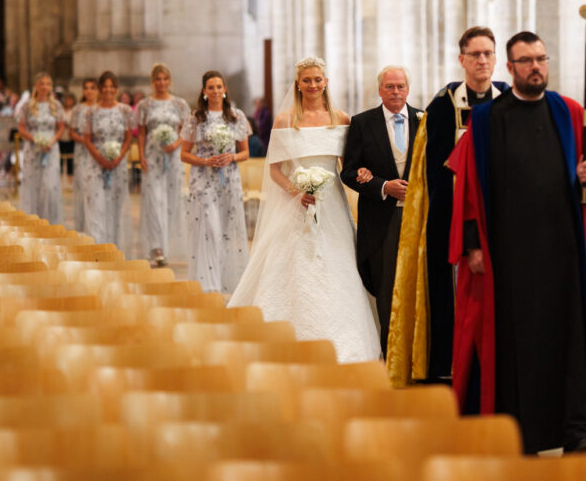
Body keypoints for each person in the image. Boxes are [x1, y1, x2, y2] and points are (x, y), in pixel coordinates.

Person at [448, 30, 586, 453]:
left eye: (541, 59)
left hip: (566, 254)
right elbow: (469, 188)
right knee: (518, 347)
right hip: (510, 258)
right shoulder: (487, 121)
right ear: (510, 68)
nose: (536, 67)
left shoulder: (569, 112)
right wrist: (473, 246)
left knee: (573, 342)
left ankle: (577, 431)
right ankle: (521, 432)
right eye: (526, 61)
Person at [229, 57, 380, 361]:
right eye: (307, 80)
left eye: (318, 79)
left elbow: (348, 166)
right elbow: (274, 171)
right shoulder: (286, 120)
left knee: (339, 262)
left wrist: (365, 173)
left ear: (326, 82)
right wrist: (297, 192)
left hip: (332, 205)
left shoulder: (341, 119)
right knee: (292, 265)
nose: (312, 85)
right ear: (298, 83)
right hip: (296, 203)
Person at [389, 27, 508, 386]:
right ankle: (446, 362)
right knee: (448, 291)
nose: (483, 60)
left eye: (488, 53)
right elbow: (432, 169)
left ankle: (499, 363)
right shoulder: (443, 105)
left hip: (502, 216)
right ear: (462, 60)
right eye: (475, 55)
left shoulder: (507, 100)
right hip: (451, 215)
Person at [340, 65, 421, 357]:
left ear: (408, 89)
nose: (395, 91)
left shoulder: (424, 120)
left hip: (419, 220)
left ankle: (419, 354)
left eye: (400, 86)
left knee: (418, 286)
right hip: (382, 220)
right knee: (387, 289)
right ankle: (392, 356)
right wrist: (384, 186)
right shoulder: (363, 123)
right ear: (380, 90)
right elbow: (348, 172)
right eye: (389, 86)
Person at [180, 70, 251, 294]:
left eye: (219, 86)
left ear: (225, 89)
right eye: (211, 87)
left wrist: (231, 157)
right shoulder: (196, 118)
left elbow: (245, 152)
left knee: (225, 231)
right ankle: (208, 284)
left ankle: (224, 279)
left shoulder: (236, 116)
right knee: (208, 228)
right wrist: (205, 161)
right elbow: (184, 154)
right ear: (204, 91)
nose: (215, 91)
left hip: (229, 179)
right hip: (203, 180)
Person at [135, 64, 191, 267]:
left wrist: (175, 144)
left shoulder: (180, 104)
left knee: (171, 202)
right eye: (157, 79)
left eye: (164, 79)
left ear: (169, 81)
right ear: (153, 81)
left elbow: (186, 131)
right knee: (153, 202)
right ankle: (156, 247)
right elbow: (141, 133)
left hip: (173, 158)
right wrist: (141, 156)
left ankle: (165, 246)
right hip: (152, 157)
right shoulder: (145, 105)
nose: (161, 83)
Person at [80, 71, 135, 250]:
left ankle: (114, 249)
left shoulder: (125, 111)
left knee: (115, 208)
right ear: (100, 88)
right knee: (96, 207)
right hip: (96, 165)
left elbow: (128, 137)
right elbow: (87, 138)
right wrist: (100, 158)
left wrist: (119, 157)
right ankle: (98, 249)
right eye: (105, 86)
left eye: (112, 86)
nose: (108, 90)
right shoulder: (91, 112)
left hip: (118, 165)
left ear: (116, 89)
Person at [16, 72, 66, 224]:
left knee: (49, 187)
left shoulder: (56, 105)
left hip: (51, 149)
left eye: (48, 84)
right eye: (42, 83)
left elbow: (61, 127)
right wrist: (35, 139)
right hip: (33, 149)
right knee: (34, 186)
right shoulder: (27, 106)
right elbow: (21, 128)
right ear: (36, 86)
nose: (44, 87)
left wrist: (52, 141)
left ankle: (50, 221)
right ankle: (33, 221)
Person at [68, 78, 99, 232]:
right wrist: (84, 140)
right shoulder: (77, 110)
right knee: (83, 188)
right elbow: (71, 131)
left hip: (98, 153)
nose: (89, 91)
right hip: (82, 152)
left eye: (92, 88)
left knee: (96, 190)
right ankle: (83, 227)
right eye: (86, 88)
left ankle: (96, 225)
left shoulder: (101, 108)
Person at [58, 92, 78, 178]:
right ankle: (60, 176)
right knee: (60, 159)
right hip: (61, 136)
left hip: (70, 137)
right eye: (67, 100)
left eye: (71, 100)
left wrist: (69, 125)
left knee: (70, 159)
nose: (69, 102)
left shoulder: (75, 111)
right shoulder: (61, 110)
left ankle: (70, 178)